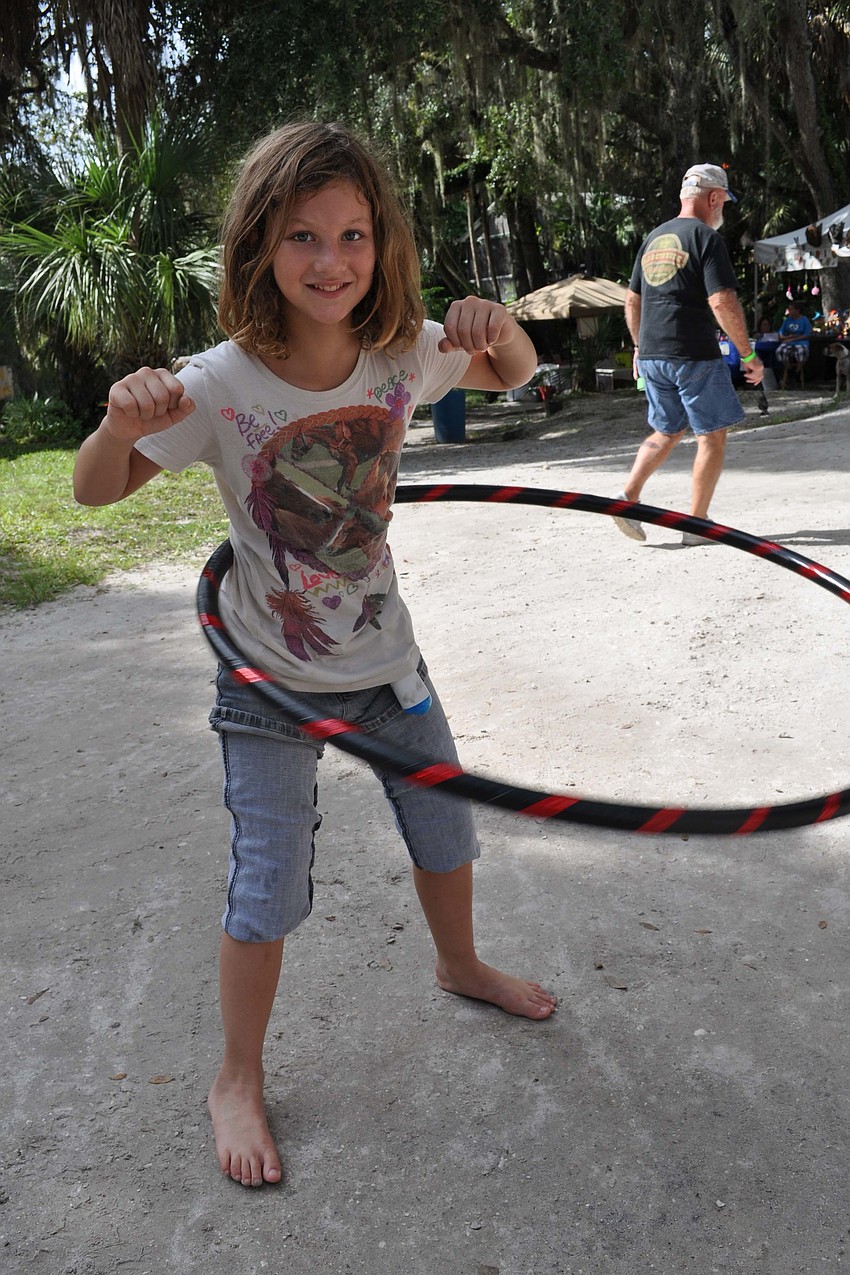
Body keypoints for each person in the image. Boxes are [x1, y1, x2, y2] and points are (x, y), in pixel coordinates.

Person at [73, 121, 555, 1190]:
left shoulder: (400, 352)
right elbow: (93, 490)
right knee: (267, 883)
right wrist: (115, 426)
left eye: (351, 234)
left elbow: (514, 373)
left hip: (387, 663)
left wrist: (499, 325)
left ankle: (459, 961)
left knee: (445, 828)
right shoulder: (216, 384)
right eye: (300, 237)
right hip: (268, 680)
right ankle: (235, 1075)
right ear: (258, 249)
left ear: (380, 242)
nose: (330, 261)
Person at [613, 163, 763, 546]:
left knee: (667, 428)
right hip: (692, 352)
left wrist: (637, 347)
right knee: (711, 435)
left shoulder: (654, 238)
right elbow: (722, 299)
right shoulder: (705, 239)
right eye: (724, 203)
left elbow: (632, 299)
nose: (722, 211)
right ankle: (696, 525)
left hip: (652, 354)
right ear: (713, 198)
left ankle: (627, 496)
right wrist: (747, 355)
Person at [776, 302, 812, 389]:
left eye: (791, 309)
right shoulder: (787, 320)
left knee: (802, 352)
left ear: (797, 310)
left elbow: (807, 334)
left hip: (801, 342)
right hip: (788, 341)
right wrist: (787, 338)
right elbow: (780, 333)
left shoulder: (804, 320)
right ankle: (789, 370)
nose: (789, 311)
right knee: (780, 351)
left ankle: (798, 371)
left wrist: (794, 338)